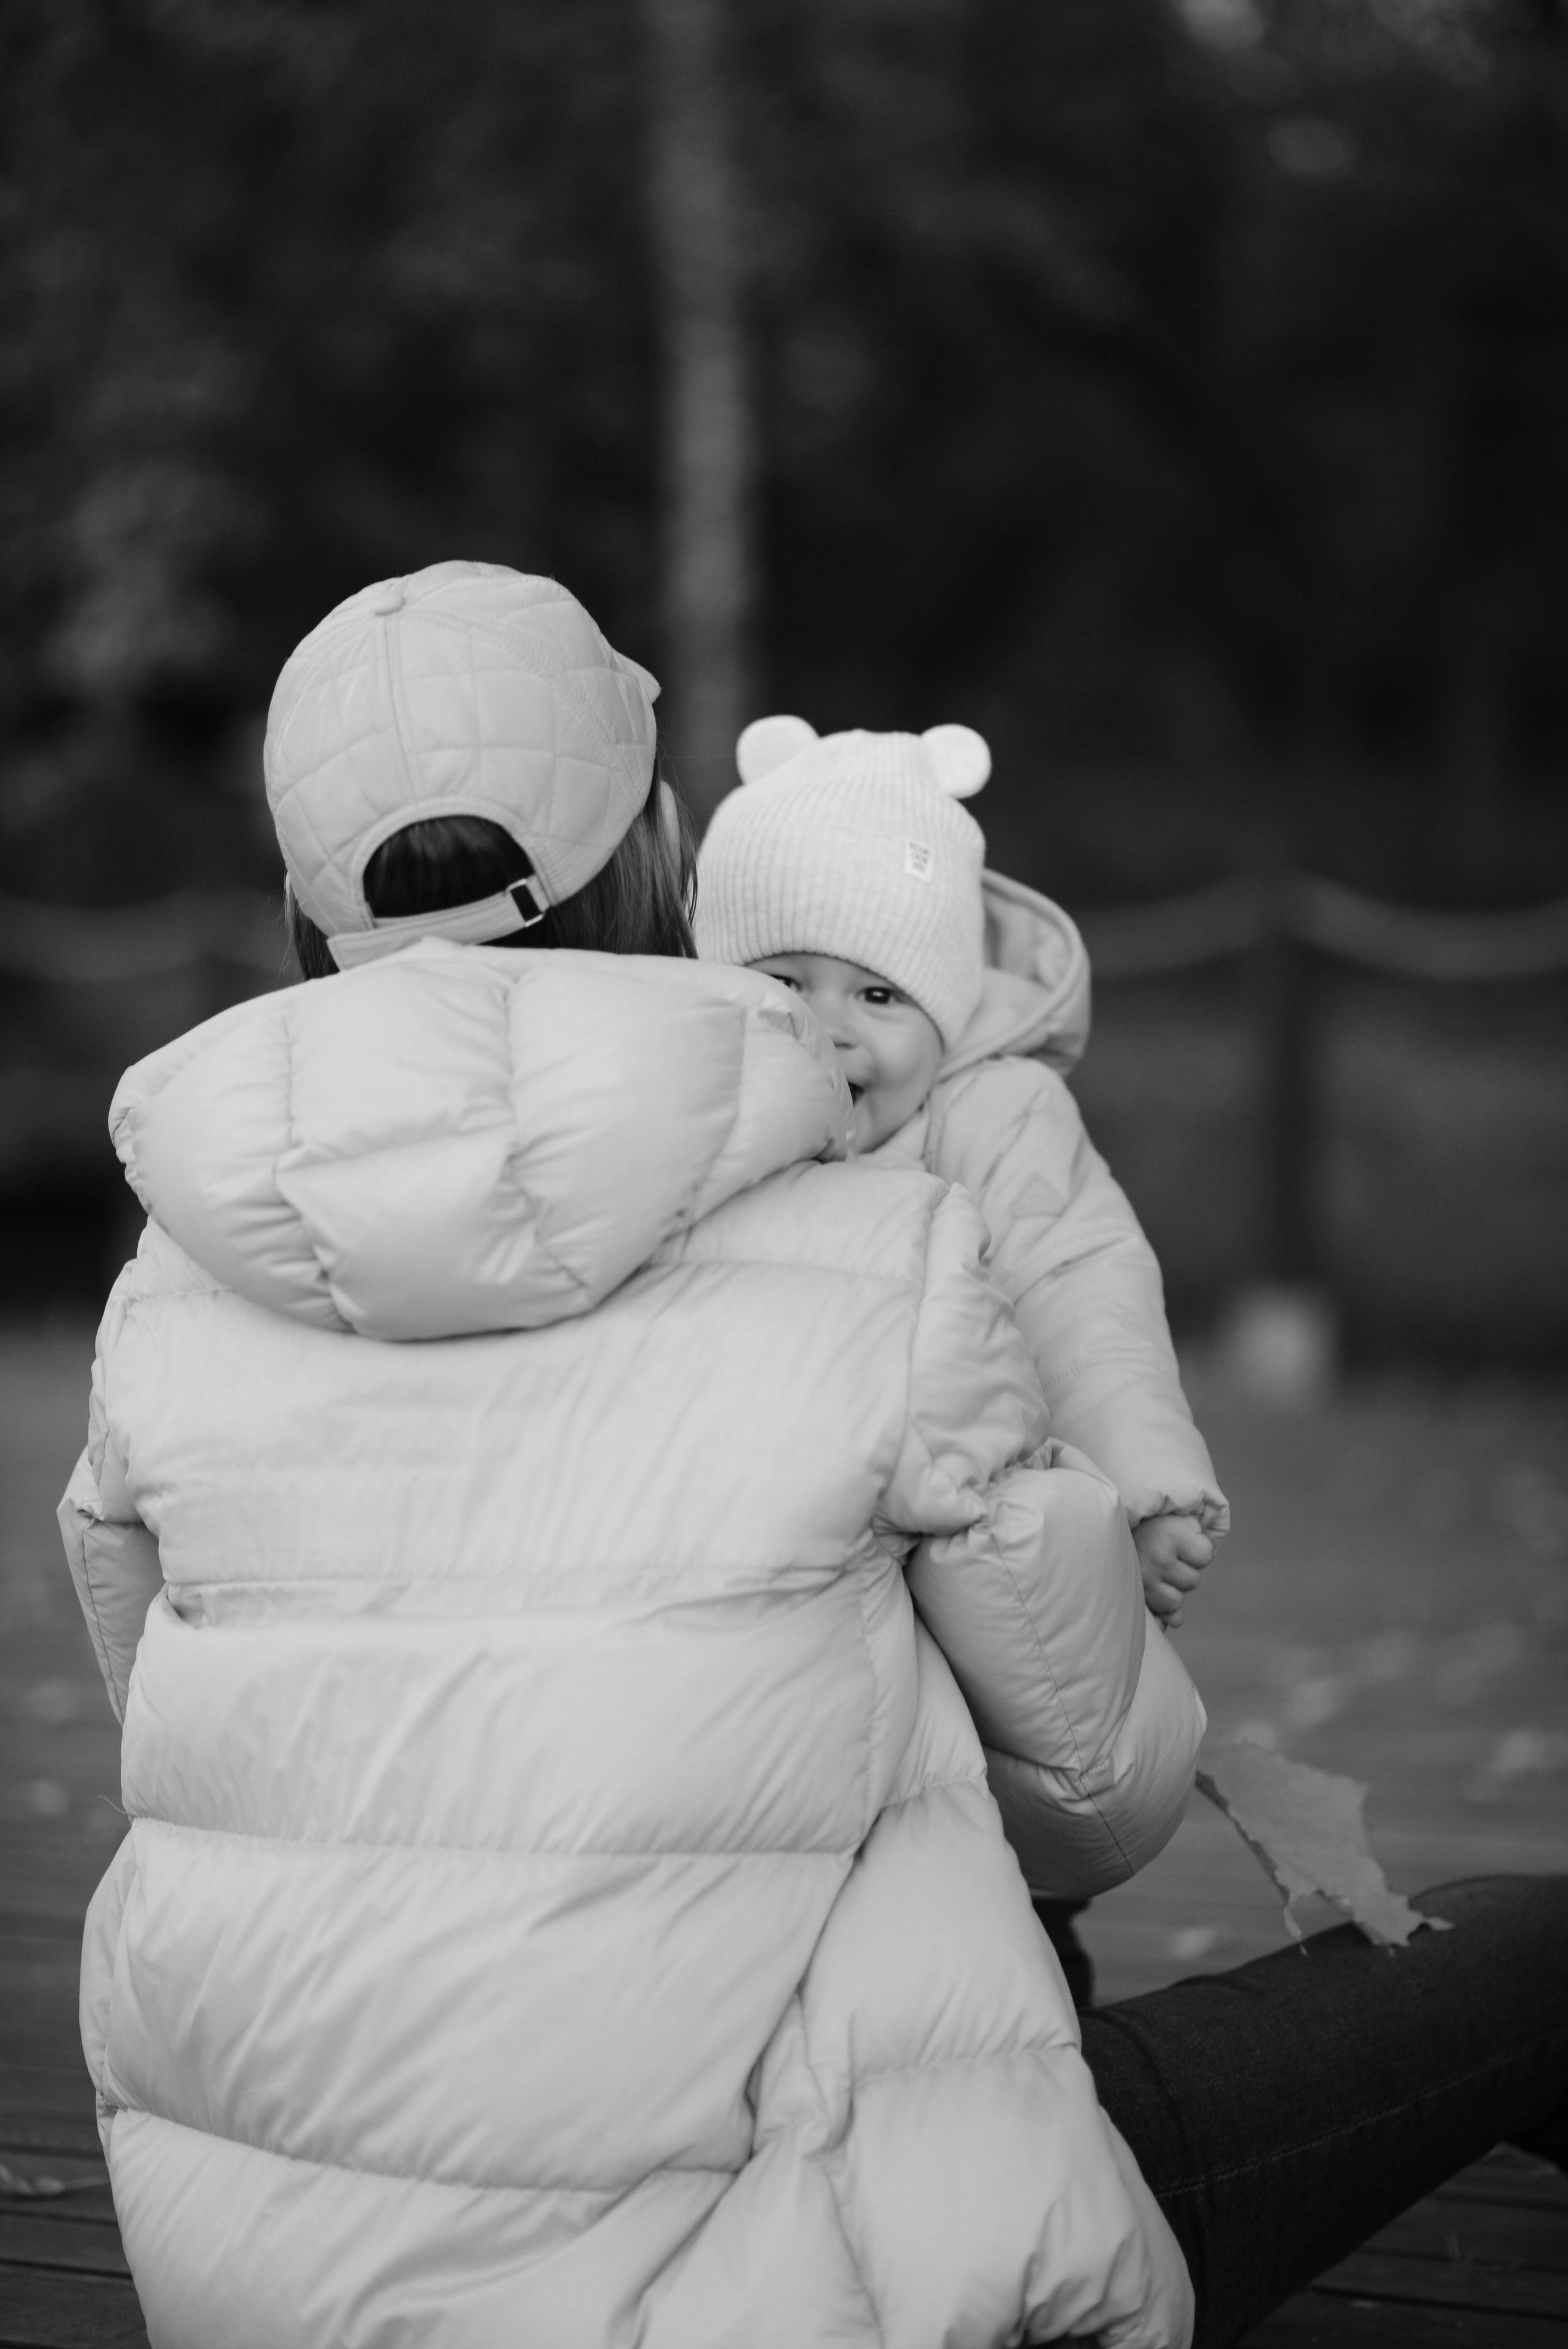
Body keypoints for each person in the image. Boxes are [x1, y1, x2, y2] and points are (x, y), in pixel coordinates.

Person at [58, 564, 1567, 2349]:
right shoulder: (861, 1233)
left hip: (265, 2283)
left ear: (306, 912)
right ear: (662, 856)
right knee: (1525, 1958)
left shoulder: (171, 1287)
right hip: (804, 2271)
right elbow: (1101, 1793)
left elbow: (187, 1724)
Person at [695, 714, 1229, 2002]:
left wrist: (1144, 1485)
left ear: (946, 1009)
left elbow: (1083, 1293)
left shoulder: (992, 1116)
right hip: (782, 1580)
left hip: (972, 1563)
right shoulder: (700, 1119)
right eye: (783, 982)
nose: (829, 1028)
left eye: (877, 994)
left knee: (988, 1828)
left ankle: (1044, 1999)